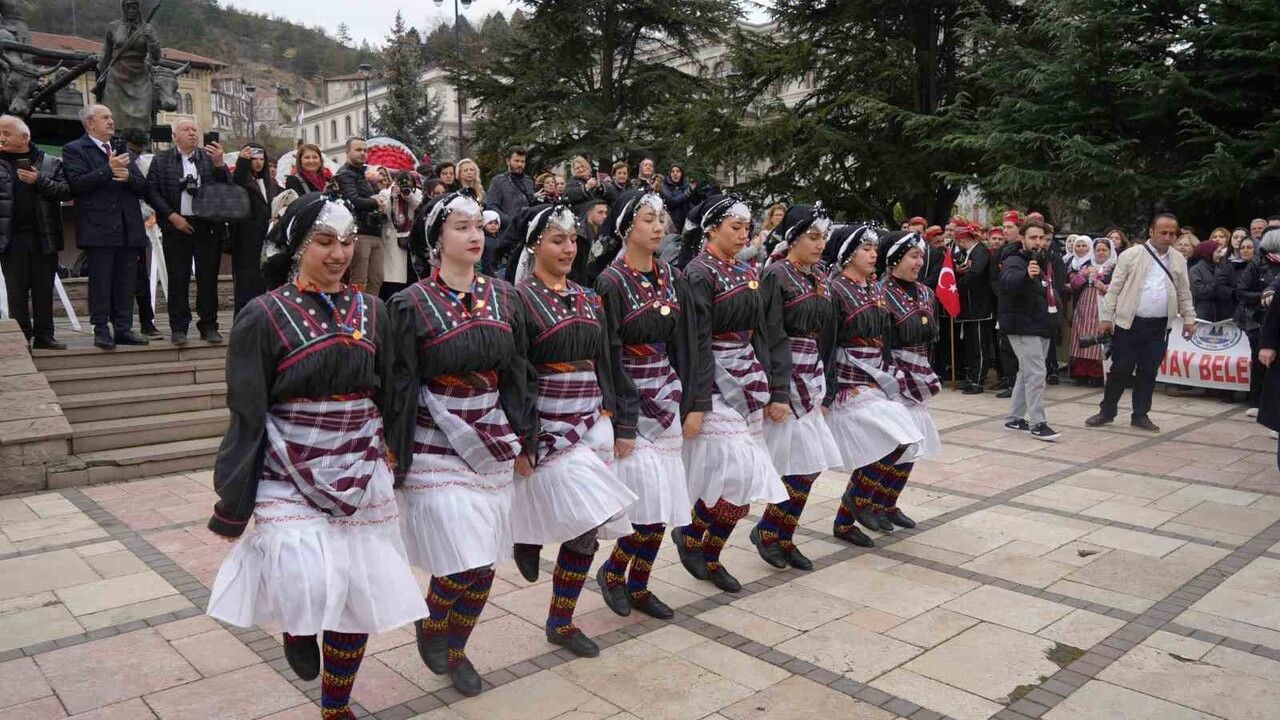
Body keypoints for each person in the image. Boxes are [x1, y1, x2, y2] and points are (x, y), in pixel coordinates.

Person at [205, 193, 425, 720]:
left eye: (347, 242)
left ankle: (336, 705)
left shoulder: (372, 310)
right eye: (325, 242)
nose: (339, 254)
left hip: (359, 460)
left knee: (355, 593)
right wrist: (233, 502)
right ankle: (297, 625)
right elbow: (247, 409)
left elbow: (392, 387)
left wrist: (395, 452)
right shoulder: (264, 315)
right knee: (304, 572)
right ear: (298, 244)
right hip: (290, 464)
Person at [386, 189, 535, 698]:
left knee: (486, 560)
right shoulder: (407, 305)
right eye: (461, 228)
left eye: (478, 227)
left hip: (490, 434)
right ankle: (433, 624)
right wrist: (393, 453)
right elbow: (399, 384)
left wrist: (526, 436)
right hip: (433, 439)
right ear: (436, 239)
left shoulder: (503, 296)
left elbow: (517, 371)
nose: (474, 236)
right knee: (464, 552)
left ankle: (457, 646)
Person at [506, 202, 638, 658]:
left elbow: (606, 360)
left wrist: (618, 415)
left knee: (588, 527)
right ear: (534, 244)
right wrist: (524, 436)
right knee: (591, 510)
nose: (568, 247)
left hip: (591, 423)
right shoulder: (518, 299)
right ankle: (524, 532)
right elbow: (517, 371)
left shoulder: (588, 297)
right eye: (557, 239)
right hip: (549, 425)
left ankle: (560, 621)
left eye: (573, 239)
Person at [594, 189, 707, 621]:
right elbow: (609, 352)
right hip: (632, 399)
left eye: (662, 218)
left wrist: (693, 400)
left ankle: (639, 584)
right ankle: (614, 570)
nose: (659, 226)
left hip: (667, 392)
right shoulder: (610, 281)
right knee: (643, 501)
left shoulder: (673, 277)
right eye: (647, 219)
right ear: (626, 228)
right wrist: (622, 419)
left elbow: (685, 342)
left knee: (664, 503)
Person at [673, 194, 787, 593]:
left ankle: (710, 552)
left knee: (744, 485)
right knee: (736, 468)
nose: (743, 235)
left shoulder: (746, 272)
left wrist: (772, 386)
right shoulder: (698, 273)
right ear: (711, 228)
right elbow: (697, 341)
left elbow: (761, 333)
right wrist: (698, 403)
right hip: (714, 380)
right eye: (734, 228)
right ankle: (690, 535)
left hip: (746, 378)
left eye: (746, 228)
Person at [750, 205, 842, 571]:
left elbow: (827, 335)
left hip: (812, 375)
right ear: (794, 238)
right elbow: (769, 333)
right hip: (787, 376)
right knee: (782, 465)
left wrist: (827, 385)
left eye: (823, 238)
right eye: (813, 237)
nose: (820, 245)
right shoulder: (776, 274)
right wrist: (777, 390)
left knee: (809, 466)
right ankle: (764, 531)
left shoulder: (819, 276)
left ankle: (779, 533)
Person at [820, 226, 924, 546]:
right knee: (892, 440)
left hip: (876, 378)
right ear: (849, 253)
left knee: (905, 441)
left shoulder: (874, 289)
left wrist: (894, 373)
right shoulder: (835, 289)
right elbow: (827, 342)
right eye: (865, 248)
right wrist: (828, 389)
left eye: (874, 248)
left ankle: (845, 519)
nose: (872, 254)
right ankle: (859, 503)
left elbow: (884, 340)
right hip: (850, 380)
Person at [1087, 214, 1196, 432]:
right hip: (1129, 325)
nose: (1168, 237)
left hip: (1158, 327)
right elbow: (1114, 288)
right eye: (1163, 232)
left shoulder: (1178, 260)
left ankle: (1140, 415)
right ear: (1151, 232)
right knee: (1120, 369)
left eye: (1172, 233)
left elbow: (1184, 292)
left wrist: (1189, 319)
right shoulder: (1131, 255)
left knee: (1148, 372)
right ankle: (1107, 411)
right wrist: (1107, 318)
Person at [863, 230, 941, 528]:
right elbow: (879, 342)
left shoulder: (925, 292)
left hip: (917, 376)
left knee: (911, 448)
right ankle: (855, 507)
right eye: (913, 256)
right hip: (892, 378)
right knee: (888, 446)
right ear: (895, 258)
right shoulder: (880, 292)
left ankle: (887, 503)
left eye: (922, 256)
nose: (919, 262)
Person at [63, 105, 150, 350]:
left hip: (128, 227)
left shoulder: (121, 148)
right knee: (101, 282)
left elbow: (142, 186)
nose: (111, 121)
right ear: (90, 124)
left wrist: (129, 177)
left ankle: (123, 328)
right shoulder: (75, 149)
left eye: (112, 117)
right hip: (98, 228)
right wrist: (107, 170)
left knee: (126, 282)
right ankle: (101, 329)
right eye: (105, 118)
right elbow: (77, 184)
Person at [145, 118, 230, 344]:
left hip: (207, 226)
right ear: (175, 136)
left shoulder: (210, 159)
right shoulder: (161, 161)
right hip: (175, 226)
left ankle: (209, 324)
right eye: (186, 129)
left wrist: (220, 164)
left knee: (208, 278)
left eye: (195, 129)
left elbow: (227, 188)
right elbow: (151, 191)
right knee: (178, 277)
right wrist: (172, 216)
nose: (192, 133)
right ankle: (179, 327)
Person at [0, 115, 71, 349]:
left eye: (6, 133)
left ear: (25, 137)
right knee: (16, 292)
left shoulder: (50, 162)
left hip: (44, 237)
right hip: (11, 240)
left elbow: (65, 191)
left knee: (43, 289)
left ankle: (44, 335)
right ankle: (22, 338)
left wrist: (39, 180)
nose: (2, 137)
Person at [999, 220, 1066, 441]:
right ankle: (1038, 423)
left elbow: (1054, 287)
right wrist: (1026, 276)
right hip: (1021, 325)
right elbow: (1008, 282)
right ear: (1022, 238)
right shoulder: (1014, 260)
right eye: (1033, 238)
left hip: (1042, 323)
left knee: (1026, 372)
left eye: (1041, 238)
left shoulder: (1047, 260)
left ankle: (1015, 418)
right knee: (1037, 374)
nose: (1038, 242)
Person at [1234, 229, 1280, 415]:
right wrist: (1264, 296)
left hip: (1274, 317)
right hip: (1257, 318)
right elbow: (1241, 291)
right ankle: (1256, 401)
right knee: (1260, 360)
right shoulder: (1257, 263)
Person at [334, 138, 386, 296]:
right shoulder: (344, 174)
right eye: (358, 150)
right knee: (359, 280)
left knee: (376, 279)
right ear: (347, 152)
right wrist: (375, 202)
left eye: (365, 150)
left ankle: (371, 313)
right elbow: (353, 200)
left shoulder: (366, 175)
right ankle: (356, 314)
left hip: (374, 232)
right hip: (359, 232)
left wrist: (376, 189)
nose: (363, 153)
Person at [229, 143, 277, 313]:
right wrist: (242, 162)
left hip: (267, 237)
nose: (258, 162)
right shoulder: (242, 180)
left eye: (261, 159)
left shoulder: (270, 183)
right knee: (246, 284)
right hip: (247, 240)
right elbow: (236, 185)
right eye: (254, 159)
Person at [953, 223, 995, 394]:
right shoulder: (967, 253)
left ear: (962, 240)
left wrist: (958, 286)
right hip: (969, 308)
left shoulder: (980, 251)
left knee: (979, 346)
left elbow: (975, 273)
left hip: (979, 307)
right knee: (970, 346)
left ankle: (978, 380)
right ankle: (972, 377)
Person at [1067, 238, 1114, 384]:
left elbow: (1119, 288)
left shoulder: (1114, 268)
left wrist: (1102, 286)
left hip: (1102, 306)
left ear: (1110, 251)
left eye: (1104, 250)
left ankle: (1097, 374)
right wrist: (1084, 275)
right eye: (1097, 250)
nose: (1100, 253)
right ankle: (1081, 373)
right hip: (1084, 306)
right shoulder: (1086, 265)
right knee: (1080, 336)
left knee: (1097, 337)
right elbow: (1074, 285)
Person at [378, 170, 423, 300]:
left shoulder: (417, 193)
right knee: (395, 279)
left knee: (412, 278)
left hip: (411, 239)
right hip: (393, 240)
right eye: (401, 182)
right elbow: (384, 215)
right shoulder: (385, 193)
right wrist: (393, 198)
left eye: (408, 182)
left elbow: (419, 209)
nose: (404, 185)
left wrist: (409, 196)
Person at [485, 146, 535, 229]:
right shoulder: (498, 181)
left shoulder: (528, 181)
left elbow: (531, 203)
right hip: (506, 230)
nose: (520, 164)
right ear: (508, 161)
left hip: (526, 228)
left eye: (523, 161)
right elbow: (492, 206)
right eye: (516, 161)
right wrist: (510, 221)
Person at [1216, 235, 1254, 322]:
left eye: (1249, 247)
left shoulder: (1263, 268)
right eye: (1242, 248)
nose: (1245, 250)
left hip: (1256, 314)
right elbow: (1220, 287)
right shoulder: (1229, 267)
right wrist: (1235, 293)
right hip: (1233, 313)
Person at [572, 197, 608, 285]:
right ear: (589, 213)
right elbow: (578, 268)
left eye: (605, 213)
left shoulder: (603, 229)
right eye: (600, 212)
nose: (604, 216)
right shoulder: (579, 235)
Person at [1189, 240, 1227, 322]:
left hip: (1220, 316)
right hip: (1202, 317)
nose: (1221, 255)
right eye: (1218, 252)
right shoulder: (1196, 270)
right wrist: (1218, 286)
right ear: (1209, 253)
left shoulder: (1220, 268)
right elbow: (1198, 291)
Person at [658, 164, 692, 231]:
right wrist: (687, 193)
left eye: (677, 171)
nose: (675, 174)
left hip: (686, 222)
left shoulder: (687, 185)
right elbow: (672, 201)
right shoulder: (665, 186)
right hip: (672, 223)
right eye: (672, 172)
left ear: (681, 174)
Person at [480, 209, 502, 274]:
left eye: (496, 223)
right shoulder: (482, 239)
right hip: (486, 273)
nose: (493, 225)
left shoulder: (501, 239)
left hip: (498, 271)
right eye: (490, 223)